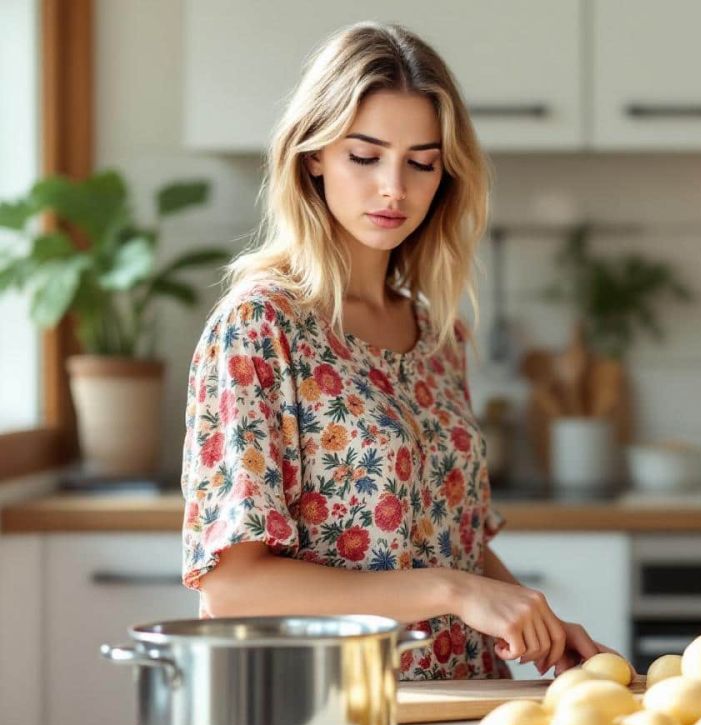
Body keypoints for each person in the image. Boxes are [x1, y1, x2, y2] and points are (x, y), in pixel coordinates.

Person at [180, 21, 611, 680]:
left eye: (421, 162)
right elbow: (233, 588)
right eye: (365, 155)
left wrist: (529, 615)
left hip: (465, 711)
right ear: (314, 154)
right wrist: (454, 592)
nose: (394, 188)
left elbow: (452, 547)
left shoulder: (439, 337)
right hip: (330, 718)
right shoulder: (260, 327)